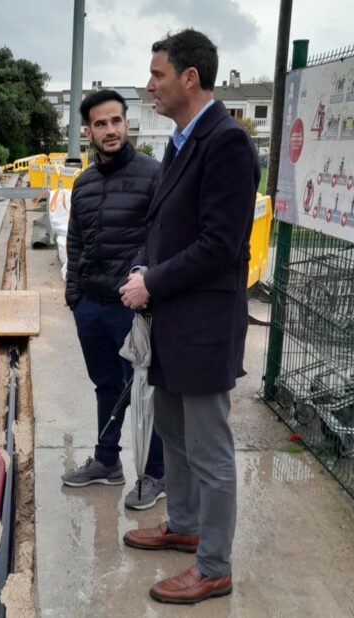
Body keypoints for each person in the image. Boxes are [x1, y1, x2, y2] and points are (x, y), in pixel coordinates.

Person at [120, 30, 259, 604]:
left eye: (156, 75)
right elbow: (163, 227)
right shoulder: (180, 141)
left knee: (209, 449)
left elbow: (220, 245)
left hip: (203, 325)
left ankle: (215, 564)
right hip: (172, 321)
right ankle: (183, 523)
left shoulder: (226, 143)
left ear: (189, 79)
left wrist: (151, 280)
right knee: (173, 435)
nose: (148, 85)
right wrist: (140, 268)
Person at [60, 89, 166, 510]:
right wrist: (75, 296)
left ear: (127, 123)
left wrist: (145, 289)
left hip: (131, 308)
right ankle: (107, 463)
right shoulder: (83, 183)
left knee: (143, 391)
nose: (109, 130)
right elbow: (75, 241)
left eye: (116, 121)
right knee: (106, 385)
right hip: (91, 306)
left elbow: (160, 237)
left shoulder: (153, 175)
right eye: (100, 124)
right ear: (88, 130)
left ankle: (156, 473)